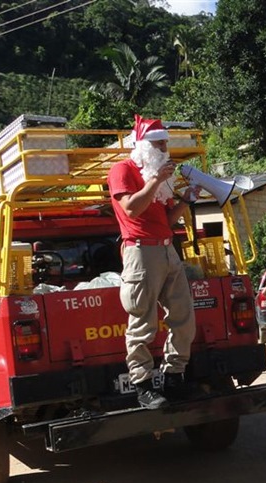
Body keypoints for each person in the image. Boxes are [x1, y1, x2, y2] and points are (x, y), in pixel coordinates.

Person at [107, 114, 196, 410]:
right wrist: (157, 179)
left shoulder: (160, 177)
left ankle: (174, 376)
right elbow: (131, 208)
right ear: (142, 145)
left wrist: (186, 200)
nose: (163, 149)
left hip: (167, 248)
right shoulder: (122, 170)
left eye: (165, 144)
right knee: (142, 321)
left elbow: (167, 220)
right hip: (141, 251)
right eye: (158, 144)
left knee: (183, 316)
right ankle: (142, 384)